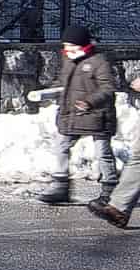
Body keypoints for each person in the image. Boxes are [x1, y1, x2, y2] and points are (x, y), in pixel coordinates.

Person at [30, 23, 120, 206]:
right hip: (72, 115)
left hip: (97, 115)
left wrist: (89, 101)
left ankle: (110, 190)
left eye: (70, 45)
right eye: (65, 45)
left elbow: (108, 88)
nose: (66, 48)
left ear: (81, 44)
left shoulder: (99, 62)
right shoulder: (70, 60)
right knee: (61, 145)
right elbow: (66, 86)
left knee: (103, 152)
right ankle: (60, 186)